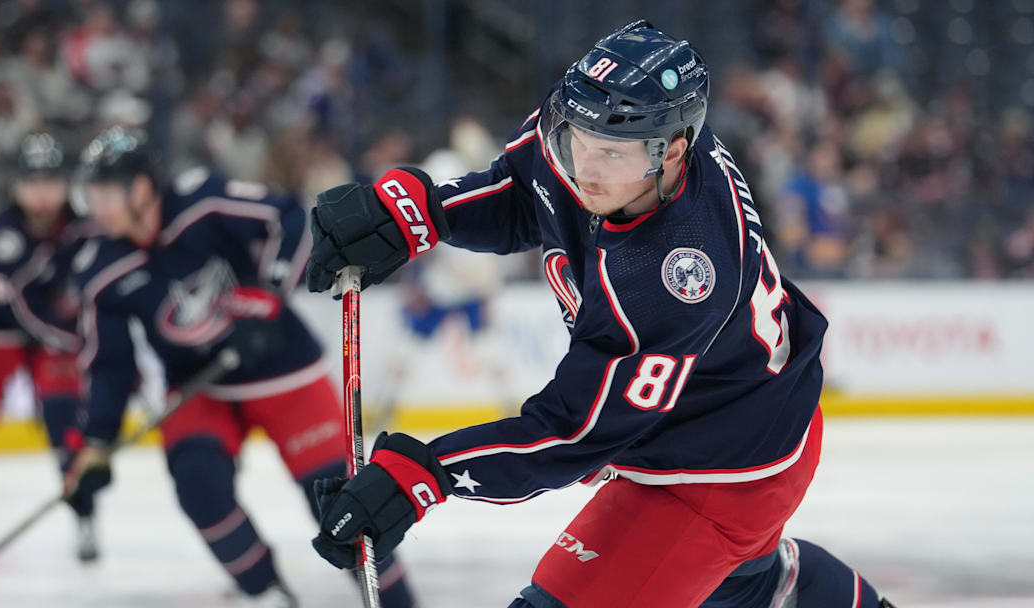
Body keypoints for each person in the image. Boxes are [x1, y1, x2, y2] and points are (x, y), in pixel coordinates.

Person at [304, 21, 896, 608]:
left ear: (675, 153)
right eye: (574, 140)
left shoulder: (678, 271)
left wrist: (427, 475)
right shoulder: (602, 127)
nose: (584, 166)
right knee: (740, 583)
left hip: (723, 469)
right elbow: (522, 192)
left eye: (610, 154)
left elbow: (573, 431)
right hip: (724, 411)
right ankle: (780, 584)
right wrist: (420, 216)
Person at [63, 126, 417, 607]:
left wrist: (268, 295)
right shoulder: (101, 267)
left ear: (142, 188)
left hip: (283, 370)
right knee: (198, 483)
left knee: (340, 501)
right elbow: (109, 365)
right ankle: (266, 592)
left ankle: (394, 599)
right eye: (93, 194)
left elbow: (287, 217)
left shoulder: (202, 203)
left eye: (107, 192)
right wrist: (97, 442)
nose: (98, 206)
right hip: (201, 389)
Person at [0, 132, 101, 561]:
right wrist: (77, 339)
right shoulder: (0, 236)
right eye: (32, 182)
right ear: (16, 186)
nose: (41, 193)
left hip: (51, 335)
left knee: (65, 422)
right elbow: (25, 311)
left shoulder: (83, 228)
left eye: (50, 182)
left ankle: (85, 517)